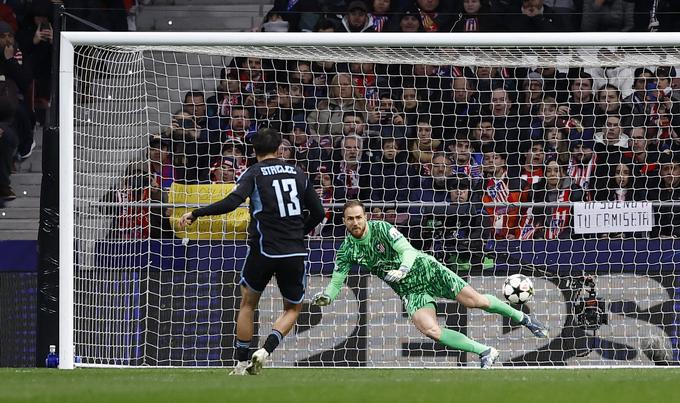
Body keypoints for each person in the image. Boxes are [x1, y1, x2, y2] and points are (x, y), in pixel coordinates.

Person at [312, 200, 549, 369]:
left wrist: (402, 269)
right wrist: (328, 296)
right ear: (343, 221)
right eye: (350, 219)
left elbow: (407, 250)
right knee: (431, 330)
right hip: (409, 289)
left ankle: (525, 319)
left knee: (475, 301)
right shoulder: (345, 250)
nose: (355, 222)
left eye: (359, 217)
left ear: (366, 217)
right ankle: (485, 352)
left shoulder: (382, 228)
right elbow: (337, 280)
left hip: (426, 270)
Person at [177, 128, 325, 375]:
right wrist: (300, 231)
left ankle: (241, 362)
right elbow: (318, 213)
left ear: (253, 151)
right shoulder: (298, 173)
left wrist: (196, 213)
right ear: (280, 149)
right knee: (292, 309)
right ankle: (265, 350)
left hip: (263, 251)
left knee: (247, 304)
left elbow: (232, 202)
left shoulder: (253, 173)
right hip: (294, 252)